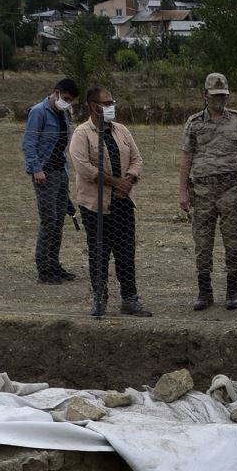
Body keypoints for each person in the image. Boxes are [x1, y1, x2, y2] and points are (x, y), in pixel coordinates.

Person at [68, 84, 151, 318]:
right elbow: (84, 168)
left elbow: (137, 158)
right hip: (96, 206)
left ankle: (130, 299)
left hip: (123, 203)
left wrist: (129, 180)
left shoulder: (121, 130)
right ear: (93, 106)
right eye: (107, 103)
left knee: (125, 252)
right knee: (99, 253)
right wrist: (116, 183)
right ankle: (99, 300)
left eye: (112, 103)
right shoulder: (82, 134)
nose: (111, 107)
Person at [179, 73, 237, 312]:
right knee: (202, 243)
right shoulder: (194, 122)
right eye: (215, 95)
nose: (220, 100)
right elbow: (186, 157)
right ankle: (205, 292)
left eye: (224, 95)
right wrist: (183, 193)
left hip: (230, 189)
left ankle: (232, 291)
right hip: (202, 190)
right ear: (205, 95)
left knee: (233, 242)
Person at [21, 78, 80, 284]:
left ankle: (54, 265)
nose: (67, 103)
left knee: (59, 223)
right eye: (65, 98)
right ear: (56, 92)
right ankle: (44, 270)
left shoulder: (63, 113)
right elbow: (29, 143)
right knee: (49, 221)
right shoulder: (38, 112)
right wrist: (37, 169)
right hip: (44, 173)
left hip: (60, 171)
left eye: (71, 100)